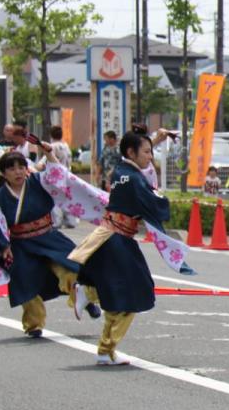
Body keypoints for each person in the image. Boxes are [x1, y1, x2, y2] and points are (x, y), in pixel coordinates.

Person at [72, 131, 172, 365]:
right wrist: (163, 202)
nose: (150, 156)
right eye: (146, 152)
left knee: (119, 293)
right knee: (134, 292)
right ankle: (88, 294)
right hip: (117, 238)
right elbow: (152, 201)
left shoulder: (121, 171)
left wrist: (152, 141)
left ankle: (105, 350)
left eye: (151, 151)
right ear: (131, 152)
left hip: (111, 236)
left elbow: (142, 180)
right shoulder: (133, 179)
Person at [0, 150, 101, 338]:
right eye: (11, 169)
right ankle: (33, 325)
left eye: (21, 167)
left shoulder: (38, 182)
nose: (18, 172)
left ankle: (85, 300)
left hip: (48, 237)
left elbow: (58, 176)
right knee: (24, 283)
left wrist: (50, 154)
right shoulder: (1, 196)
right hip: (21, 244)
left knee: (69, 267)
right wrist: (4, 246)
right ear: (4, 174)